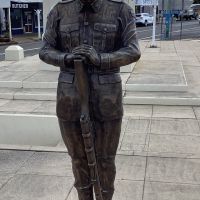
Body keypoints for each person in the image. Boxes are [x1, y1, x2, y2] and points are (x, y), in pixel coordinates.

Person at [39, 0, 141, 199]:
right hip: (69, 97)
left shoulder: (120, 10)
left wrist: (101, 59)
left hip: (107, 99)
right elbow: (45, 50)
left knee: (105, 160)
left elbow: (133, 50)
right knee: (78, 160)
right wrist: (66, 58)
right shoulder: (60, 11)